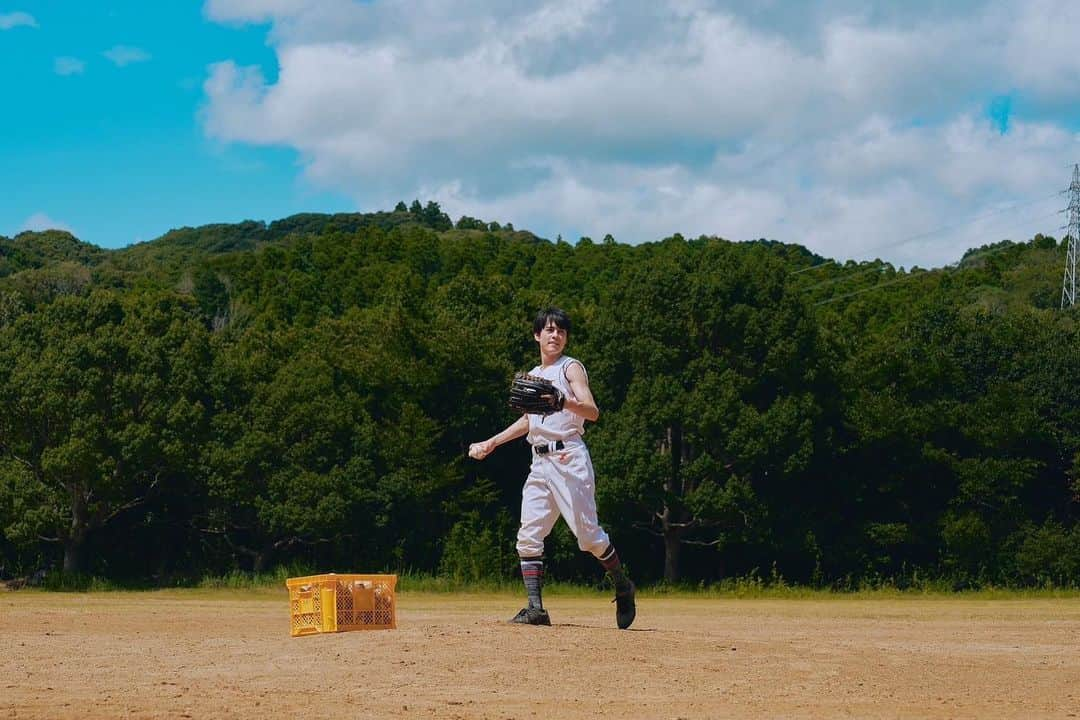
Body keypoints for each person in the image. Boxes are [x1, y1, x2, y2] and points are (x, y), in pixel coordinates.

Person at [469, 307, 636, 629]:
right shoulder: (534, 375)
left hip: (569, 458)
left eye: (560, 330)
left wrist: (564, 401)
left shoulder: (570, 369)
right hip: (540, 461)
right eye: (548, 330)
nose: (554, 335)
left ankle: (622, 584)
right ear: (537, 335)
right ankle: (536, 609)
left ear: (565, 337)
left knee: (588, 537)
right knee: (528, 535)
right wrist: (491, 442)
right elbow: (528, 421)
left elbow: (592, 412)